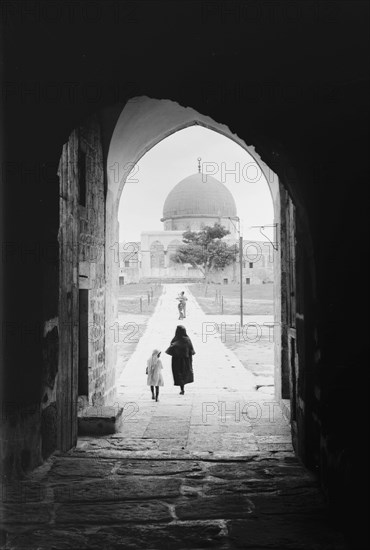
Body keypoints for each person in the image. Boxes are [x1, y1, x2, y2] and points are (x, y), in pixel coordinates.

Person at [165, 325, 195, 395]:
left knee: (180, 373)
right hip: (182, 360)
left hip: (179, 361)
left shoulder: (176, 340)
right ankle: (182, 388)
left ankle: (182, 389)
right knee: (182, 373)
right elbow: (191, 350)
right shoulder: (186, 339)